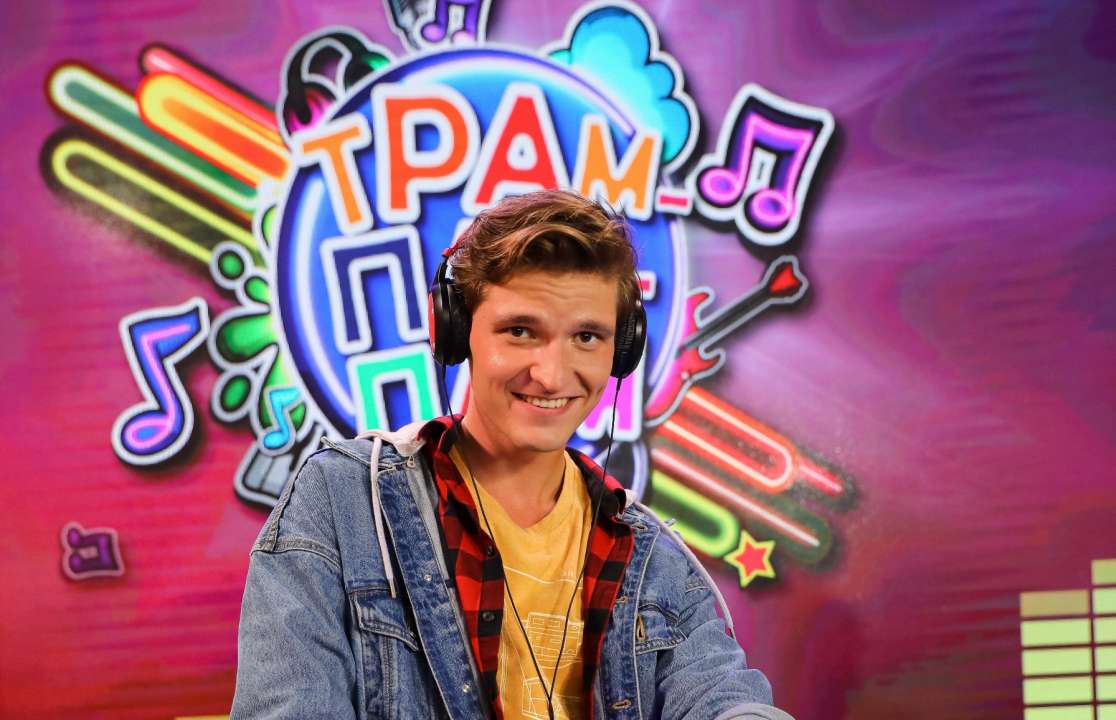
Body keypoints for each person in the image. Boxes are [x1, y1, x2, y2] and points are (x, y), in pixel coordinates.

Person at [231, 190, 791, 720]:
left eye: (587, 337)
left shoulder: (651, 556)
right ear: (456, 334)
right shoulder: (343, 503)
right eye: (520, 331)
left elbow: (725, 698)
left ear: (622, 350)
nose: (551, 374)